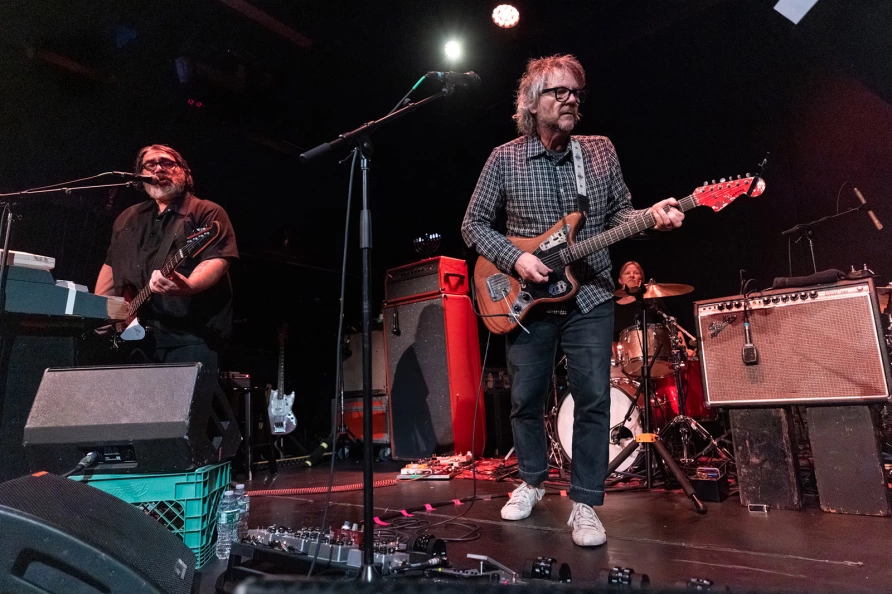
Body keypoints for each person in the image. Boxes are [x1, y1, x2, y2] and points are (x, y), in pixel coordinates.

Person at [461, 55, 683, 547]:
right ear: (530, 103)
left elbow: (623, 212)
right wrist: (515, 261)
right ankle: (532, 481)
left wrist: (653, 215)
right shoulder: (504, 158)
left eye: (575, 92)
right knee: (524, 399)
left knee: (594, 399)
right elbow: (472, 225)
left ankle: (584, 501)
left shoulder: (599, 151)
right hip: (525, 300)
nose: (570, 99)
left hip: (593, 293)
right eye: (558, 92)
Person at [95, 144, 238, 378]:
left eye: (167, 163)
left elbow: (218, 260)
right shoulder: (127, 218)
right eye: (150, 165)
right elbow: (112, 266)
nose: (159, 168)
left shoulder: (207, 212)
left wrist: (189, 286)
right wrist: (100, 311)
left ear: (185, 172)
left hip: (188, 338)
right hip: (131, 340)